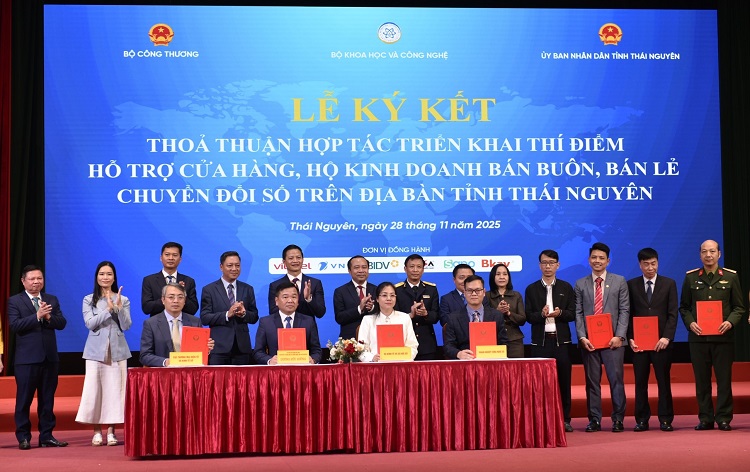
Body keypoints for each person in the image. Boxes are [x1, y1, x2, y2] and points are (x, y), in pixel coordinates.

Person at [679, 240, 745, 431]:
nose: (708, 255)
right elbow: (684, 307)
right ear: (700, 254)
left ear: (719, 254)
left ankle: (723, 418)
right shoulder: (691, 278)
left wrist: (730, 322)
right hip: (698, 339)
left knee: (724, 381)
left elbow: (739, 307)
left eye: (712, 251)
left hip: (723, 339)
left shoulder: (731, 277)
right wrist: (690, 323)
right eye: (704, 252)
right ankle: (705, 418)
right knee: (702, 381)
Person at [8, 265, 68, 449]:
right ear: (23, 281)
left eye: (39, 278)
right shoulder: (15, 301)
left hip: (50, 358)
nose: (36, 282)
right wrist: (37, 316)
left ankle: (46, 436)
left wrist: (48, 317)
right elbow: (15, 325)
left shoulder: (51, 299)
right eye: (32, 279)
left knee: (47, 400)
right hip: (26, 360)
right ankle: (23, 437)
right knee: (24, 400)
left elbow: (62, 323)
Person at [75, 261, 132, 446]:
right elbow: (90, 324)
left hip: (118, 350)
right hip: (95, 351)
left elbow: (126, 325)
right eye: (102, 274)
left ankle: (111, 432)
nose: (105, 277)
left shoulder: (123, 299)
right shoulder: (88, 299)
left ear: (114, 278)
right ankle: (97, 431)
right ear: (97, 277)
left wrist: (118, 308)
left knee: (115, 391)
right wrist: (108, 310)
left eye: (109, 274)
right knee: (95, 390)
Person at [574, 242, 629, 433]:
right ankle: (594, 420)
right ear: (589, 260)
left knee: (616, 381)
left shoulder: (619, 281)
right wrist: (582, 337)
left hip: (613, 341)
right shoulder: (580, 284)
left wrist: (619, 336)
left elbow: (624, 310)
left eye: (601, 258)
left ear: (608, 261)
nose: (597, 261)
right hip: (590, 342)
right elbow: (578, 313)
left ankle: (618, 419)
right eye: (594, 257)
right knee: (592, 383)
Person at [525, 249, 576, 433]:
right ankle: (541, 419)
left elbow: (572, 313)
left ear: (558, 265)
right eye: (544, 263)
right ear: (540, 265)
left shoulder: (566, 287)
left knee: (564, 381)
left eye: (551, 263)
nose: (548, 266)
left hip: (561, 343)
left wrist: (560, 313)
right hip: (540, 343)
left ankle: (565, 419)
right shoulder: (531, 289)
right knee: (540, 384)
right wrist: (542, 314)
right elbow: (528, 317)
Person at [627, 248, 678, 432]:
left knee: (663, 382)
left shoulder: (669, 283)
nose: (650, 268)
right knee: (640, 383)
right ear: (640, 265)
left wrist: (666, 337)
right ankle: (642, 420)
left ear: (658, 263)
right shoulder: (631, 285)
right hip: (639, 344)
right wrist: (630, 338)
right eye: (646, 264)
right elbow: (628, 314)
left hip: (661, 343)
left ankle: (665, 419)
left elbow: (672, 314)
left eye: (653, 263)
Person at [200, 251, 259, 365]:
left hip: (242, 348)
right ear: (221, 267)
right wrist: (227, 314)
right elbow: (205, 317)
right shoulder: (209, 289)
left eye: (237, 265)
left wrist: (244, 314)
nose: (234, 269)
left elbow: (254, 317)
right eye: (230, 265)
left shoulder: (247, 289)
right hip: (218, 348)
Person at [140, 283, 214, 367]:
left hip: (189, 371)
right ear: (163, 300)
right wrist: (166, 362)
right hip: (164, 372)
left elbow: (199, 353)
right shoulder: (151, 323)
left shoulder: (195, 322)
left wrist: (206, 349)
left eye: (180, 297)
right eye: (171, 297)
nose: (176, 301)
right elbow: (144, 355)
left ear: (185, 300)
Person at [254, 281, 322, 365]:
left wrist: (313, 360)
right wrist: (269, 360)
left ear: (298, 301)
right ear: (276, 301)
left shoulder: (308, 321)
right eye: (285, 297)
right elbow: (258, 352)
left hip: (302, 369)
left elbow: (317, 350)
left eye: (294, 297)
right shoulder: (266, 322)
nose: (290, 300)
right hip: (276, 370)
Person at [443, 275, 508, 360]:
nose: (474, 294)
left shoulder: (496, 315)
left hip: (490, 361)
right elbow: (448, 346)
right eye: (470, 290)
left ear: (484, 292)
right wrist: (459, 354)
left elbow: (504, 342)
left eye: (477, 290)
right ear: (464, 293)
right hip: (464, 362)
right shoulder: (453, 318)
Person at [359, 281, 419, 361]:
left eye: (392, 295)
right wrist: (372, 358)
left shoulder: (405, 318)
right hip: (376, 365)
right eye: (384, 295)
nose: (389, 299)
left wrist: (405, 358)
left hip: (401, 364)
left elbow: (413, 346)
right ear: (377, 299)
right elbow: (361, 349)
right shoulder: (368, 320)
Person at [394, 254, 439, 360]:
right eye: (412, 266)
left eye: (419, 267)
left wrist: (426, 314)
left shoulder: (431, 289)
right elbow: (394, 317)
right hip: (404, 343)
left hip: (427, 344)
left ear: (423, 270)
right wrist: (409, 315)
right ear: (405, 269)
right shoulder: (397, 290)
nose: (415, 270)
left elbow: (436, 316)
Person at [267, 244, 326, 319]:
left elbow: (320, 312)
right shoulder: (275, 285)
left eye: (298, 257)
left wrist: (309, 299)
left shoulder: (314, 283)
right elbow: (273, 311)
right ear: (284, 262)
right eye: (291, 258)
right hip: (285, 325)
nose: (295, 261)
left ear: (303, 260)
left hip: (308, 326)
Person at [141, 242, 198, 317]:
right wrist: (168, 299)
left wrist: (182, 294)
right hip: (158, 322)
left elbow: (193, 309)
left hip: (181, 322)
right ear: (161, 258)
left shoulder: (188, 281)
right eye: (167, 254)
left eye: (175, 255)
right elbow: (146, 308)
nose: (171, 258)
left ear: (180, 259)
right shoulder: (149, 280)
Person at [487, 263, 526, 358]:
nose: (502, 277)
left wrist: (509, 313)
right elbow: (483, 320)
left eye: (505, 274)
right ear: (493, 277)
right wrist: (497, 312)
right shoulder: (486, 296)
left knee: (516, 367)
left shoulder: (516, 295)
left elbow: (522, 320)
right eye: (498, 274)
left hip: (515, 341)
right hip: (494, 341)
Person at [333, 255, 377, 340]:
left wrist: (372, 308)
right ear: (349, 271)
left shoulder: (376, 289)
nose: (361, 270)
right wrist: (359, 309)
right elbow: (339, 318)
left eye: (364, 267)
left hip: (373, 338)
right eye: (356, 267)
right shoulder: (340, 291)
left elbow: (383, 313)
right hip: (350, 340)